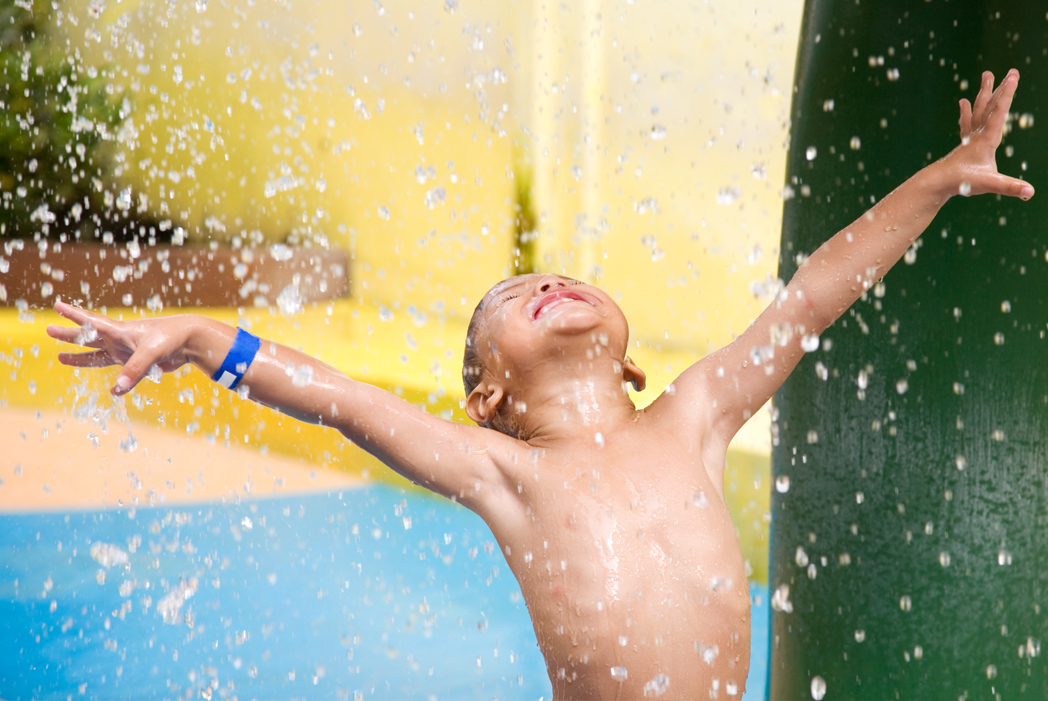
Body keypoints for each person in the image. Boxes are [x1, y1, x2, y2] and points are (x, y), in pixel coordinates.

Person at [48, 69, 1033, 700]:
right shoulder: (501, 470)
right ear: (486, 396)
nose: (542, 281)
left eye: (557, 279)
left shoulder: (690, 414)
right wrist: (200, 335)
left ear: (630, 356)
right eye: (513, 295)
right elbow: (341, 397)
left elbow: (812, 293)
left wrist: (944, 173)